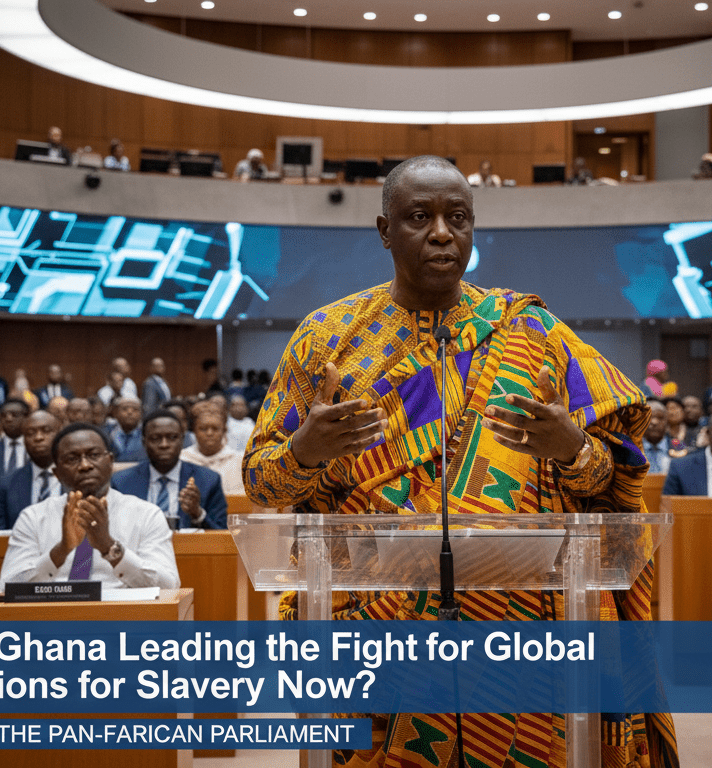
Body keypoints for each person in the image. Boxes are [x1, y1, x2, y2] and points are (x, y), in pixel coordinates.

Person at [242, 155, 677, 767]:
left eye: (458, 218)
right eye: (420, 217)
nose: (443, 233)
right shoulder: (326, 338)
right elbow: (260, 483)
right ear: (384, 229)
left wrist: (573, 449)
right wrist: (304, 452)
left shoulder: (537, 333)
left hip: (524, 634)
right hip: (374, 635)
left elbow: (616, 481)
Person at [0, 423, 180, 590]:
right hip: (55, 618)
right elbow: (5, 588)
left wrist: (109, 547)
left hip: (120, 616)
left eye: (93, 455)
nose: (85, 465)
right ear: (57, 473)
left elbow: (169, 586)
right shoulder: (33, 517)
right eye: (72, 459)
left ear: (110, 462)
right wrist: (60, 551)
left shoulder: (146, 514)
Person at [111, 411, 226, 529]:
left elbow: (223, 536)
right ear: (144, 442)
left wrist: (197, 513)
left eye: (172, 438)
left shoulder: (208, 480)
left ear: (182, 441)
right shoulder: (121, 483)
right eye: (155, 438)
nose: (164, 444)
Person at [0, 411, 62, 530]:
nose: (38, 437)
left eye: (46, 431)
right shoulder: (7, 483)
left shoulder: (76, 479)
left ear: (59, 435)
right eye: (30, 433)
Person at [181, 402, 244, 495]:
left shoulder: (240, 461)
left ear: (224, 430)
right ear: (194, 430)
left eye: (215, 429)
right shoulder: (182, 459)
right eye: (203, 429)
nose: (209, 433)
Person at [0, 399, 30, 476]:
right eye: (4, 416)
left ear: (27, 418)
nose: (8, 419)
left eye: (14, 415)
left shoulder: (37, 447)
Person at [107, 396, 146, 462]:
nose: (130, 412)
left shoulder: (146, 434)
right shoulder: (108, 433)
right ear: (115, 413)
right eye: (125, 409)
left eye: (135, 409)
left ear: (141, 414)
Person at [642, 400, 671, 473]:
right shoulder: (630, 450)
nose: (654, 422)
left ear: (667, 422)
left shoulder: (679, 447)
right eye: (649, 417)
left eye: (660, 418)